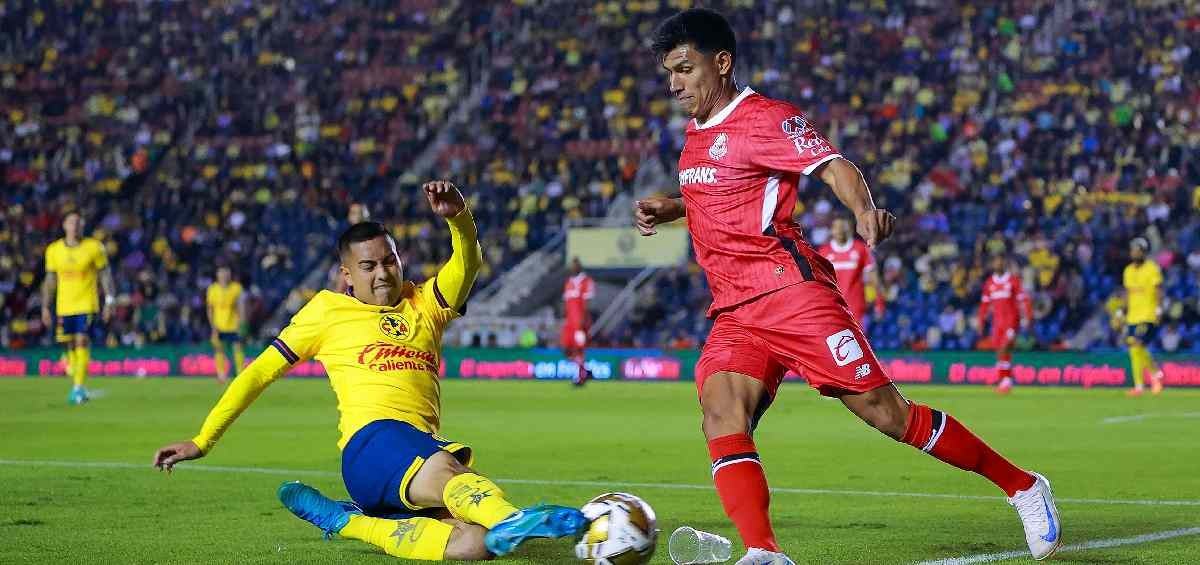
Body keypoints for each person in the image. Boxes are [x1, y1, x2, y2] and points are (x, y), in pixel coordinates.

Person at [633, 10, 1059, 564]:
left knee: (888, 414)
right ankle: (764, 552)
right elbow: (715, 198)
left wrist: (863, 210)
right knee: (721, 412)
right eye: (670, 73)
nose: (675, 84)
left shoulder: (767, 118)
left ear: (722, 62)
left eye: (685, 69)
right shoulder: (695, 137)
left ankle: (1023, 486)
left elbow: (833, 165)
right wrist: (670, 207)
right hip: (735, 309)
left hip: (789, 292)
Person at [153, 181, 586, 560]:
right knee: (457, 481)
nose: (382, 273)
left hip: (412, 454)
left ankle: (349, 522)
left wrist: (460, 219)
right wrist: (202, 440)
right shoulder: (326, 312)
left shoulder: (425, 304)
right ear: (347, 275)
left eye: (389, 262)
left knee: (475, 544)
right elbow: (258, 373)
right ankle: (516, 518)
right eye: (369, 266)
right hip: (372, 444)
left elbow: (467, 264)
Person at [41, 210, 115, 405]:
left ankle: (78, 388)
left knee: (82, 341)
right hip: (63, 306)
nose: (76, 226)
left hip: (86, 303)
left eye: (79, 223)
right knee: (68, 345)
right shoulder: (53, 250)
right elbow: (50, 280)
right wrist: (45, 306)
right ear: (64, 225)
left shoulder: (93, 247)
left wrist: (109, 300)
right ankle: (74, 375)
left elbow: (105, 275)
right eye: (72, 222)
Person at [978, 254, 1031, 394]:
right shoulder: (990, 283)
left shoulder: (1013, 281)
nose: (998, 264)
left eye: (1001, 262)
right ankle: (1005, 380)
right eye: (996, 262)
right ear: (992, 264)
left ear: (1004, 264)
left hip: (1012, 321)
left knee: (1004, 348)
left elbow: (1023, 300)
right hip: (997, 323)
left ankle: (1005, 380)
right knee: (999, 350)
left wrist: (1027, 317)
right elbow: (984, 304)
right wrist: (981, 320)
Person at [818, 216, 884, 324]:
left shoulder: (861, 249)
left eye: (843, 227)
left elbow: (874, 279)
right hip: (832, 308)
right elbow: (819, 283)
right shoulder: (823, 252)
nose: (840, 230)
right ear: (831, 230)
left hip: (856, 309)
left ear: (849, 229)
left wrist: (879, 303)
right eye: (836, 227)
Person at [1122, 237, 1165, 396]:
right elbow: (1127, 293)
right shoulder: (1128, 270)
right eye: (1132, 249)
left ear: (1143, 251)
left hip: (1148, 314)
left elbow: (1159, 290)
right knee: (1135, 350)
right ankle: (1144, 383)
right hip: (1133, 315)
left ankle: (1149, 380)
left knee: (1137, 343)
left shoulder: (1152, 268)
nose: (1133, 252)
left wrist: (1159, 310)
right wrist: (1122, 311)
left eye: (1136, 250)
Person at [206, 266, 246, 382]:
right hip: (218, 325)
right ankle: (221, 374)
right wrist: (212, 325)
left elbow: (241, 306)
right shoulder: (212, 289)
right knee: (219, 350)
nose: (224, 276)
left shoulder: (236, 288)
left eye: (226, 273)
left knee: (237, 348)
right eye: (221, 273)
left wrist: (242, 322)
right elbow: (210, 309)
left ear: (229, 274)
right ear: (217, 275)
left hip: (234, 324)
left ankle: (240, 374)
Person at [562, 256, 595, 386]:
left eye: (575, 265)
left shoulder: (586, 281)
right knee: (566, 349)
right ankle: (586, 371)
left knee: (579, 350)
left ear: (579, 266)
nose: (572, 267)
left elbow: (587, 303)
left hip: (580, 322)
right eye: (571, 265)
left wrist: (582, 322)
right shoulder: (568, 283)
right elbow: (567, 304)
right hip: (569, 322)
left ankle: (581, 378)